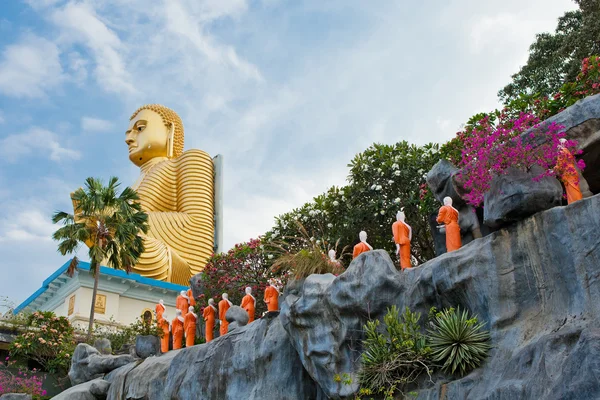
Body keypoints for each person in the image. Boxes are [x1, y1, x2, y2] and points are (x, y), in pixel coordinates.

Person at [123, 104, 216, 284]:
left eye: (140, 128)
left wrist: (123, 223)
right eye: (127, 134)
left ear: (169, 130)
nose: (129, 139)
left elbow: (198, 227)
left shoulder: (190, 160)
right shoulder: (133, 185)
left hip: (172, 267)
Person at [555, 138, 583, 204]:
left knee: (572, 189)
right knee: (575, 188)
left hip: (568, 173)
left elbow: (560, 164)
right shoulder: (567, 151)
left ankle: (576, 204)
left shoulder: (562, 152)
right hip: (572, 171)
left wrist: (553, 170)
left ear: (561, 144)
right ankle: (579, 202)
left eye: (558, 143)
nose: (557, 145)